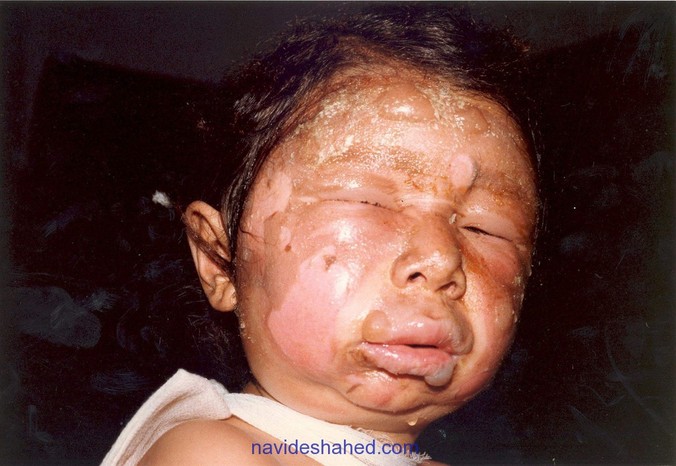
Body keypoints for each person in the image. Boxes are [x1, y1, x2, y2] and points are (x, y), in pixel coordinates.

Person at [104, 5, 539, 465]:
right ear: (219, 262)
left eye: (484, 227)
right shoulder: (214, 454)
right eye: (367, 202)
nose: (440, 258)